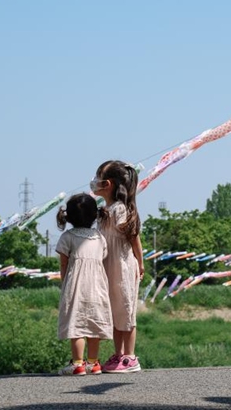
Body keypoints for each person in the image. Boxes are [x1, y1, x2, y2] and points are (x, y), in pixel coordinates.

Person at [91, 160, 145, 373]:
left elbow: (134, 238)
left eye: (99, 179)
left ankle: (130, 356)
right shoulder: (105, 209)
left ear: (109, 184)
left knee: (126, 308)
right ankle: (118, 354)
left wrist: (140, 263)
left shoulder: (120, 209)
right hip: (108, 266)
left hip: (122, 266)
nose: (94, 183)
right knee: (114, 310)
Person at [55, 193, 112, 376]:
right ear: (95, 215)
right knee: (93, 323)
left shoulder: (67, 237)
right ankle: (94, 363)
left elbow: (64, 263)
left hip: (75, 286)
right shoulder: (99, 237)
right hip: (97, 286)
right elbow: (101, 258)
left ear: (69, 217)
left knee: (77, 324)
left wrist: (65, 283)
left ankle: (78, 364)